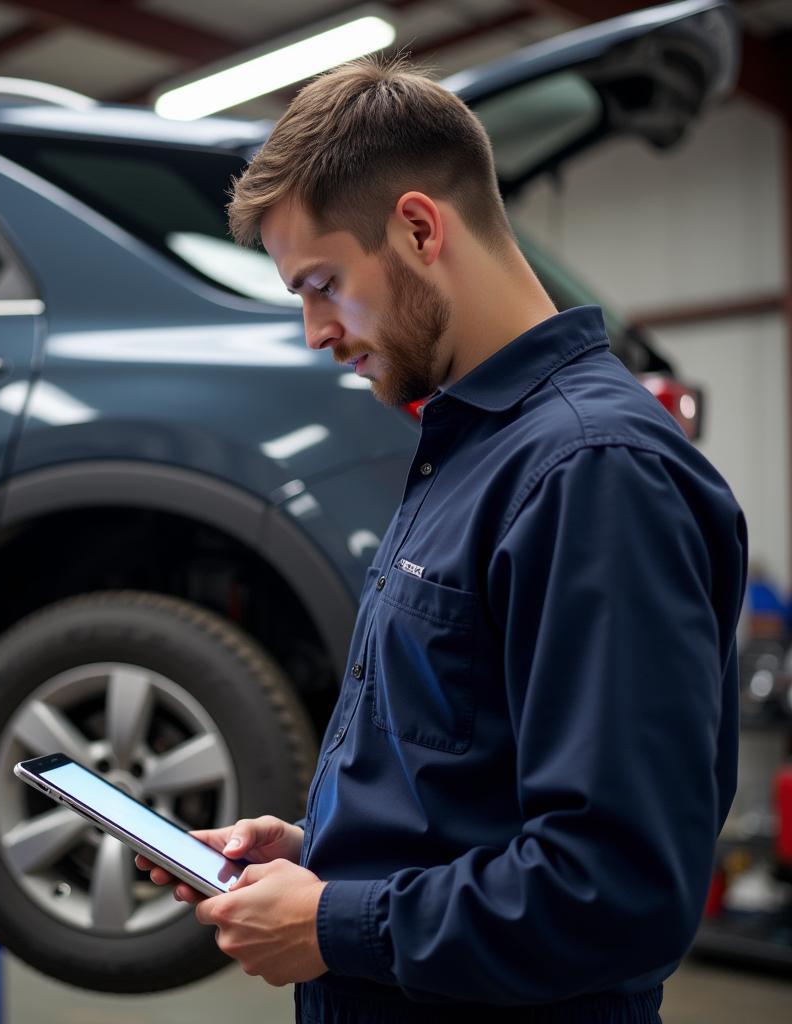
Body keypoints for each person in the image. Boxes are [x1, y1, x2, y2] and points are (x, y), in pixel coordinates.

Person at [137, 54, 747, 1023]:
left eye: (323, 284)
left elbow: (616, 892)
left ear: (419, 229)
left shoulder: (592, 474)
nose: (312, 332)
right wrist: (319, 854)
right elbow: (469, 781)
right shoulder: (468, 450)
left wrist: (336, 921)